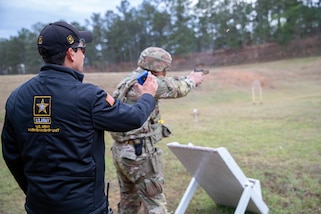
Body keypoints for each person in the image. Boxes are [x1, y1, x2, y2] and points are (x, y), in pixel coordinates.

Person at [1, 21, 158, 214]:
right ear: (70, 53)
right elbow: (133, 118)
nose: (84, 54)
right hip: (84, 208)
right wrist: (148, 95)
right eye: (82, 49)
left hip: (38, 206)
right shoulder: (89, 97)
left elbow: (11, 154)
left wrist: (34, 191)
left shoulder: (17, 97)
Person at [110, 47, 205, 213]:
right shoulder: (148, 82)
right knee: (155, 203)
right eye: (165, 69)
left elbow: (168, 83)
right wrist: (192, 80)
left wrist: (187, 77)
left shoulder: (130, 79)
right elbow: (177, 89)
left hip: (122, 151)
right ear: (159, 68)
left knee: (129, 203)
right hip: (139, 152)